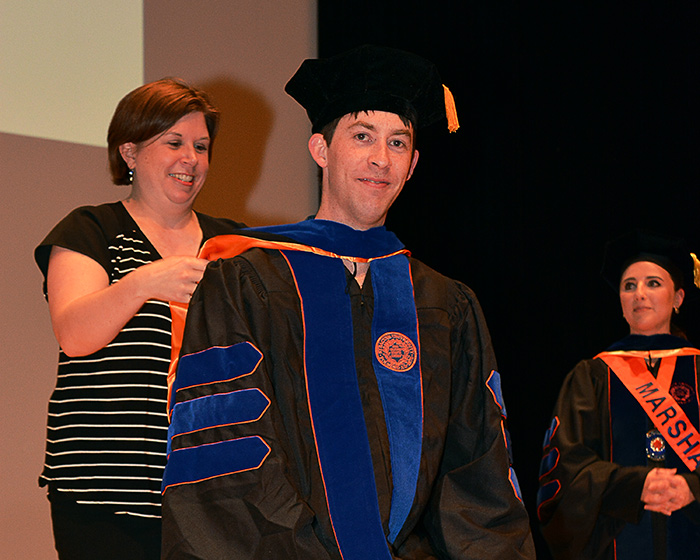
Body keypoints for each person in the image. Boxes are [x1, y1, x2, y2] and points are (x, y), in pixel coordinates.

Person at [161, 45, 535, 559]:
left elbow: (477, 476)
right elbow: (226, 453)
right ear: (321, 149)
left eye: (398, 142)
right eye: (362, 137)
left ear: (413, 164)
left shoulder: (446, 305)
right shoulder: (246, 279)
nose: (381, 159)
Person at [34, 78, 245, 559]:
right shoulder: (91, 229)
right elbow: (74, 333)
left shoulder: (232, 245)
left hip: (210, 489)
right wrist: (144, 282)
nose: (189, 159)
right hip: (102, 492)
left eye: (201, 146)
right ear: (129, 153)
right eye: (173, 143)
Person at [537, 230, 700, 560]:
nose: (639, 294)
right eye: (629, 286)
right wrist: (633, 486)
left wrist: (693, 488)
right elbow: (565, 471)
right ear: (621, 302)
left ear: (678, 297)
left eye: (653, 283)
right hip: (614, 543)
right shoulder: (592, 375)